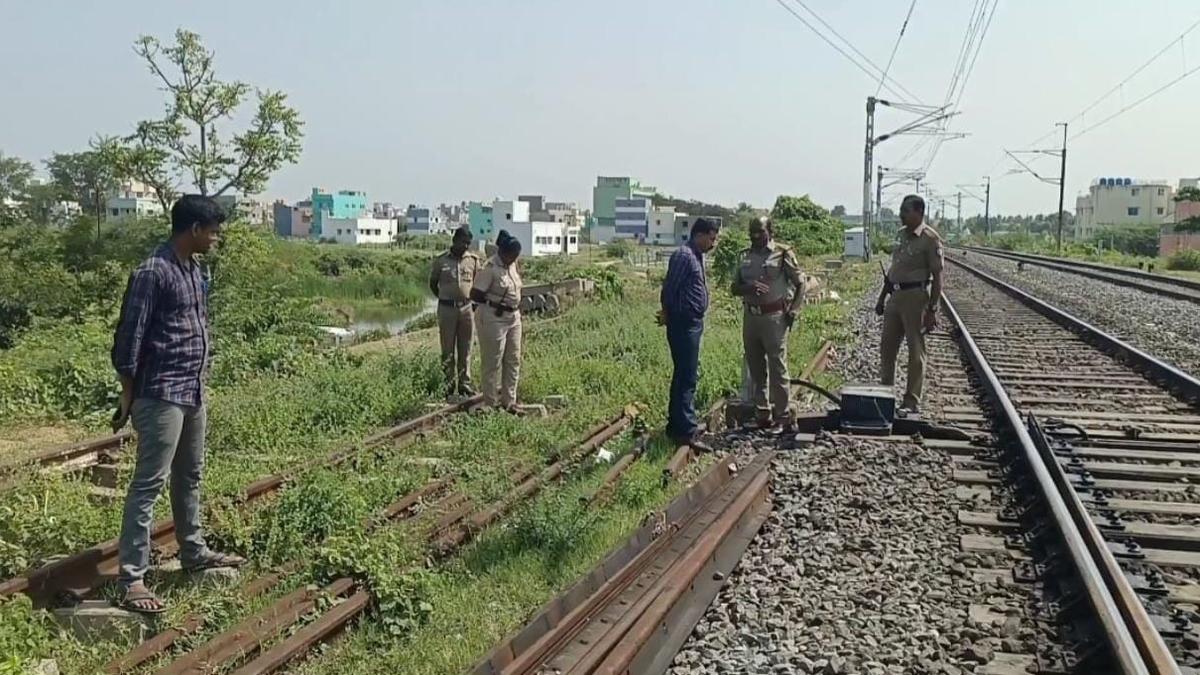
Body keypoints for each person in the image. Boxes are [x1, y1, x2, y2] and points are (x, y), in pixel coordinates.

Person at [110, 194, 245, 613]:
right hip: (161, 393)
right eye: (214, 231)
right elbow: (129, 338)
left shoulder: (193, 268)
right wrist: (127, 394)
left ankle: (193, 552)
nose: (217, 238)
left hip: (192, 391)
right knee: (150, 483)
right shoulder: (154, 271)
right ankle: (132, 577)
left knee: (189, 476)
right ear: (194, 230)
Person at [731, 217, 805, 429]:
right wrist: (749, 287)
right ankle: (762, 413)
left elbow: (801, 284)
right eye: (752, 232)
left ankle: (782, 415)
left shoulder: (782, 254)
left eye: (760, 232)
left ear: (770, 232)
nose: (755, 236)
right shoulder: (745, 256)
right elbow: (734, 288)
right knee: (755, 367)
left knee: (777, 367)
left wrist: (794, 310)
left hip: (774, 318)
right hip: (751, 317)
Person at [875, 194, 944, 415]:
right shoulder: (900, 236)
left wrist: (932, 309)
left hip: (915, 298)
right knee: (887, 348)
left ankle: (911, 401)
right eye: (901, 210)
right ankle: (886, 395)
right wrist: (881, 298)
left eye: (905, 210)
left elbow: (938, 277)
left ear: (918, 212)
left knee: (915, 351)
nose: (901, 214)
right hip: (894, 297)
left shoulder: (930, 239)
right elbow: (894, 270)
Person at [660, 217, 721, 452]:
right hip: (683, 323)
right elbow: (669, 288)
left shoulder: (696, 255)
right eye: (712, 238)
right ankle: (686, 431)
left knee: (683, 375)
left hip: (691, 322)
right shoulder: (684, 256)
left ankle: (676, 425)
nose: (713, 243)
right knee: (687, 377)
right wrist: (667, 312)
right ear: (700, 234)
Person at [470, 230, 523, 413]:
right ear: (503, 253)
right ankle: (490, 403)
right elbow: (474, 294)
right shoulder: (490, 268)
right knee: (493, 361)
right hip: (493, 317)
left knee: (513, 359)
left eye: (516, 256)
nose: (513, 259)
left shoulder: (513, 265)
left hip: (513, 317)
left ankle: (510, 401)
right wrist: (494, 300)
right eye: (511, 256)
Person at [429, 227, 483, 398]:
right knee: (447, 349)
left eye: (468, 243)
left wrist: (473, 303)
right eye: (462, 242)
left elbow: (478, 284)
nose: (465, 246)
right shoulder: (441, 260)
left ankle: (464, 384)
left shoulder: (473, 260)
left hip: (467, 309)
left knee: (465, 348)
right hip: (447, 309)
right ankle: (448, 384)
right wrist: (445, 298)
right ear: (454, 241)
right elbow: (433, 284)